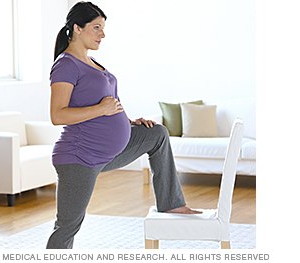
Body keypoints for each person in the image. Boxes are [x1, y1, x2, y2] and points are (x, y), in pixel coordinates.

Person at [47, 1, 200, 249]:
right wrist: (102, 110)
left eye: (103, 28)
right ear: (77, 28)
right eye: (96, 28)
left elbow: (107, 104)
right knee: (68, 226)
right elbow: (57, 115)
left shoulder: (91, 62)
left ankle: (171, 202)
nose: (102, 34)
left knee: (157, 134)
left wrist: (128, 123)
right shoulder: (65, 65)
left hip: (109, 151)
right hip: (80, 157)